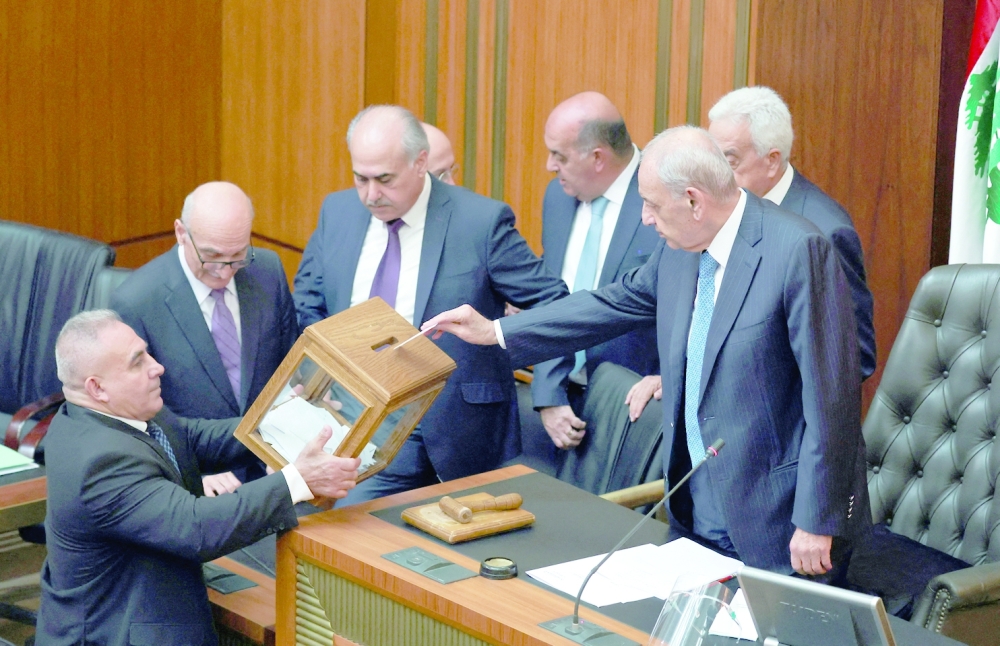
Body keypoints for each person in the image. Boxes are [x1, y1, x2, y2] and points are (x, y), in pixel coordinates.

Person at [423, 126, 870, 579]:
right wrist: (498, 329)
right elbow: (609, 303)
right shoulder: (679, 252)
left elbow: (831, 398)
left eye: (653, 205)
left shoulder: (797, 250)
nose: (645, 218)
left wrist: (817, 519)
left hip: (777, 515)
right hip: (695, 500)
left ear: (694, 201)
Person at [293, 105, 569, 504]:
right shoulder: (337, 212)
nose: (371, 194)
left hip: (451, 423)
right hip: (350, 417)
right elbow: (309, 300)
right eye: (361, 178)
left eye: (385, 179)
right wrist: (322, 380)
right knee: (316, 524)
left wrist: (548, 388)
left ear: (420, 163)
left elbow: (552, 301)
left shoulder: (479, 221)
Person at [36, 310, 359, 645]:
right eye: (137, 362)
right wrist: (297, 480)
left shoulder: (115, 412)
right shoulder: (98, 461)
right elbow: (196, 528)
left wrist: (281, 421)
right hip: (117, 633)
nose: (156, 366)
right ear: (97, 388)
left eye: (146, 352)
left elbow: (192, 439)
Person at [111, 181, 297, 496]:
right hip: (196, 481)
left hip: (273, 468)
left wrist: (288, 446)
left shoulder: (267, 271)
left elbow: (290, 367)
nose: (225, 272)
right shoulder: (137, 301)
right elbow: (130, 415)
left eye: (238, 255)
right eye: (211, 256)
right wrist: (186, 469)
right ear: (181, 233)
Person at [708, 86, 875, 378]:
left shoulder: (823, 234)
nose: (715, 175)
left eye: (730, 162)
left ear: (772, 161)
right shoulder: (725, 211)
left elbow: (853, 358)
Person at [532, 91, 662, 449]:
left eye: (559, 156)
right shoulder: (557, 197)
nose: (548, 165)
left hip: (634, 409)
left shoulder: (662, 200)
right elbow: (550, 299)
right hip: (560, 403)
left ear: (598, 158)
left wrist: (668, 377)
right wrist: (547, 393)